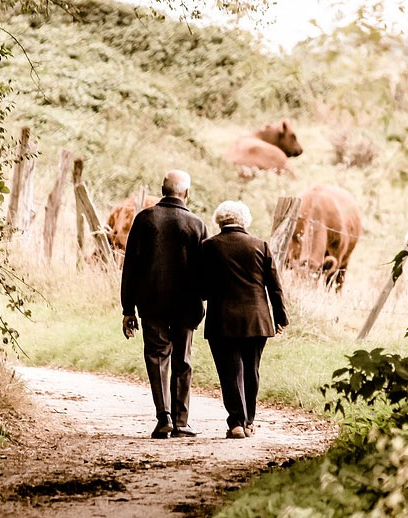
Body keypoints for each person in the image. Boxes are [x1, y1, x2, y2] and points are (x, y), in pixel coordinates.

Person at [120, 170, 208, 439]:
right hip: (186, 305)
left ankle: (164, 417)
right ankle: (182, 422)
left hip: (151, 303)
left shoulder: (145, 219)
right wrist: (203, 299)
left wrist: (128, 309)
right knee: (183, 359)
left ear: (162, 189)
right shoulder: (196, 224)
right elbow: (205, 270)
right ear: (187, 193)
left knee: (157, 357)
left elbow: (130, 267)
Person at [201, 201, 288, 439]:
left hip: (222, 320)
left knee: (229, 372)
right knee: (252, 370)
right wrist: (280, 317)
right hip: (257, 320)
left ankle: (236, 423)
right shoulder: (260, 245)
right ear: (244, 221)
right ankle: (249, 421)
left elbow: (201, 287)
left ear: (219, 221)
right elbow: (275, 287)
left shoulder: (208, 247)